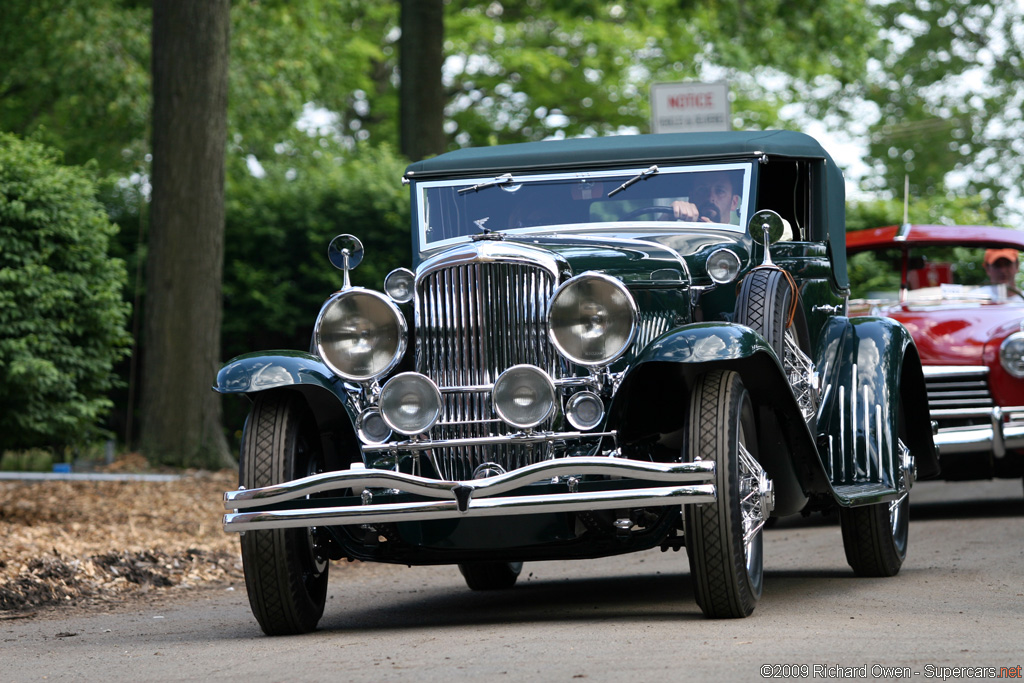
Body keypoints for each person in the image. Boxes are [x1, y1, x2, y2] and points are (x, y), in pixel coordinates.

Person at [671, 171, 740, 224]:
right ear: (691, 197)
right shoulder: (677, 236)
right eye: (702, 190)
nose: (710, 198)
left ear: (734, 202)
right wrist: (669, 215)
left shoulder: (741, 239)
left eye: (720, 191)